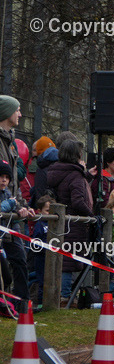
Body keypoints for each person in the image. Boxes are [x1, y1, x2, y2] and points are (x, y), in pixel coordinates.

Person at [48, 139, 93, 302]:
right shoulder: (74, 174)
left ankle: (60, 294)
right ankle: (65, 296)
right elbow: (78, 201)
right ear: (77, 155)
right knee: (69, 261)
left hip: (61, 222)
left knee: (61, 259)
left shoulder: (55, 171)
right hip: (73, 224)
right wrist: (91, 216)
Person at [0, 96, 33, 305]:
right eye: (18, 110)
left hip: (10, 214)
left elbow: (12, 181)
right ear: (7, 112)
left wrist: (21, 206)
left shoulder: (10, 141)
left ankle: (22, 306)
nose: (20, 114)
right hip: (3, 211)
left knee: (19, 261)